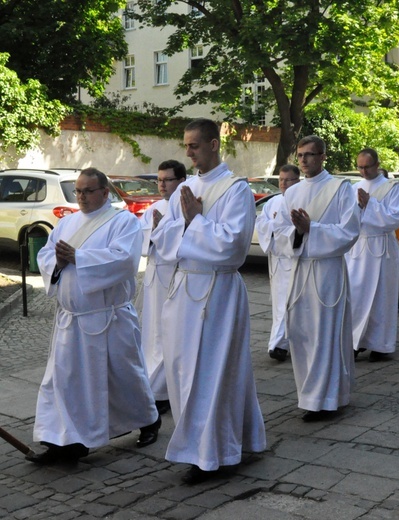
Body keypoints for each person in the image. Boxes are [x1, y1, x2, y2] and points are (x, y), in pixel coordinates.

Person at [150, 118, 266, 484]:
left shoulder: (236, 191)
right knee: (185, 371)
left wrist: (195, 221)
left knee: (215, 373)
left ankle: (213, 453)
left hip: (218, 292)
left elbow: (233, 246)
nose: (187, 152)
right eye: (185, 145)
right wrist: (186, 224)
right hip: (184, 290)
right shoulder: (185, 188)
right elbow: (163, 236)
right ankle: (205, 444)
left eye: (194, 145)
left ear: (214, 144)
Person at [28, 168, 160, 465]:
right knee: (63, 381)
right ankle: (64, 440)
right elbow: (46, 255)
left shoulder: (122, 221)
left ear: (104, 192)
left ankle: (148, 419)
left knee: (123, 376)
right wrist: (58, 262)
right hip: (71, 320)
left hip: (107, 318)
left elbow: (125, 261)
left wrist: (79, 258)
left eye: (88, 191)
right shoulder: (67, 223)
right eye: (78, 191)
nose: (82, 197)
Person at [274, 135, 360, 421]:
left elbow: (349, 231)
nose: (304, 160)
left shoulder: (340, 189)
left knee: (326, 333)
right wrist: (298, 232)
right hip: (301, 269)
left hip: (328, 270)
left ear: (323, 156)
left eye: (310, 154)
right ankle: (309, 394)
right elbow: (279, 233)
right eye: (300, 155)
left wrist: (313, 228)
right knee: (302, 333)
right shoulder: (292, 193)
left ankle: (326, 398)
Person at [346, 148, 399, 361]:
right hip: (359, 250)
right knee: (357, 295)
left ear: (377, 164)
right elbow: (348, 217)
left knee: (382, 297)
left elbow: (394, 219)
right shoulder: (354, 187)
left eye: (367, 166)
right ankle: (354, 341)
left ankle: (381, 344)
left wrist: (370, 204)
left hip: (382, 249)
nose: (363, 171)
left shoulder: (390, 187)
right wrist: (360, 209)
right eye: (359, 167)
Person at [139, 160, 187, 415]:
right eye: (159, 180)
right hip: (154, 277)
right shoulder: (154, 208)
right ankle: (153, 387)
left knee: (170, 333)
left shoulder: (185, 206)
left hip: (174, 276)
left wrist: (161, 231)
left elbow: (186, 240)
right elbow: (141, 240)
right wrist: (154, 231)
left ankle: (165, 391)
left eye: (167, 180)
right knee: (153, 333)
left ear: (181, 181)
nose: (162, 185)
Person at [255, 164, 301, 362]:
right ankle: (277, 343)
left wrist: (280, 230)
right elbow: (261, 224)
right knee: (279, 304)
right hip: (277, 261)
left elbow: (300, 230)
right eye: (281, 180)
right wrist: (274, 227)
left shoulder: (301, 200)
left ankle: (283, 343)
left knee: (293, 303)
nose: (283, 183)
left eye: (288, 180)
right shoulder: (272, 202)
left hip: (295, 259)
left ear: (297, 180)